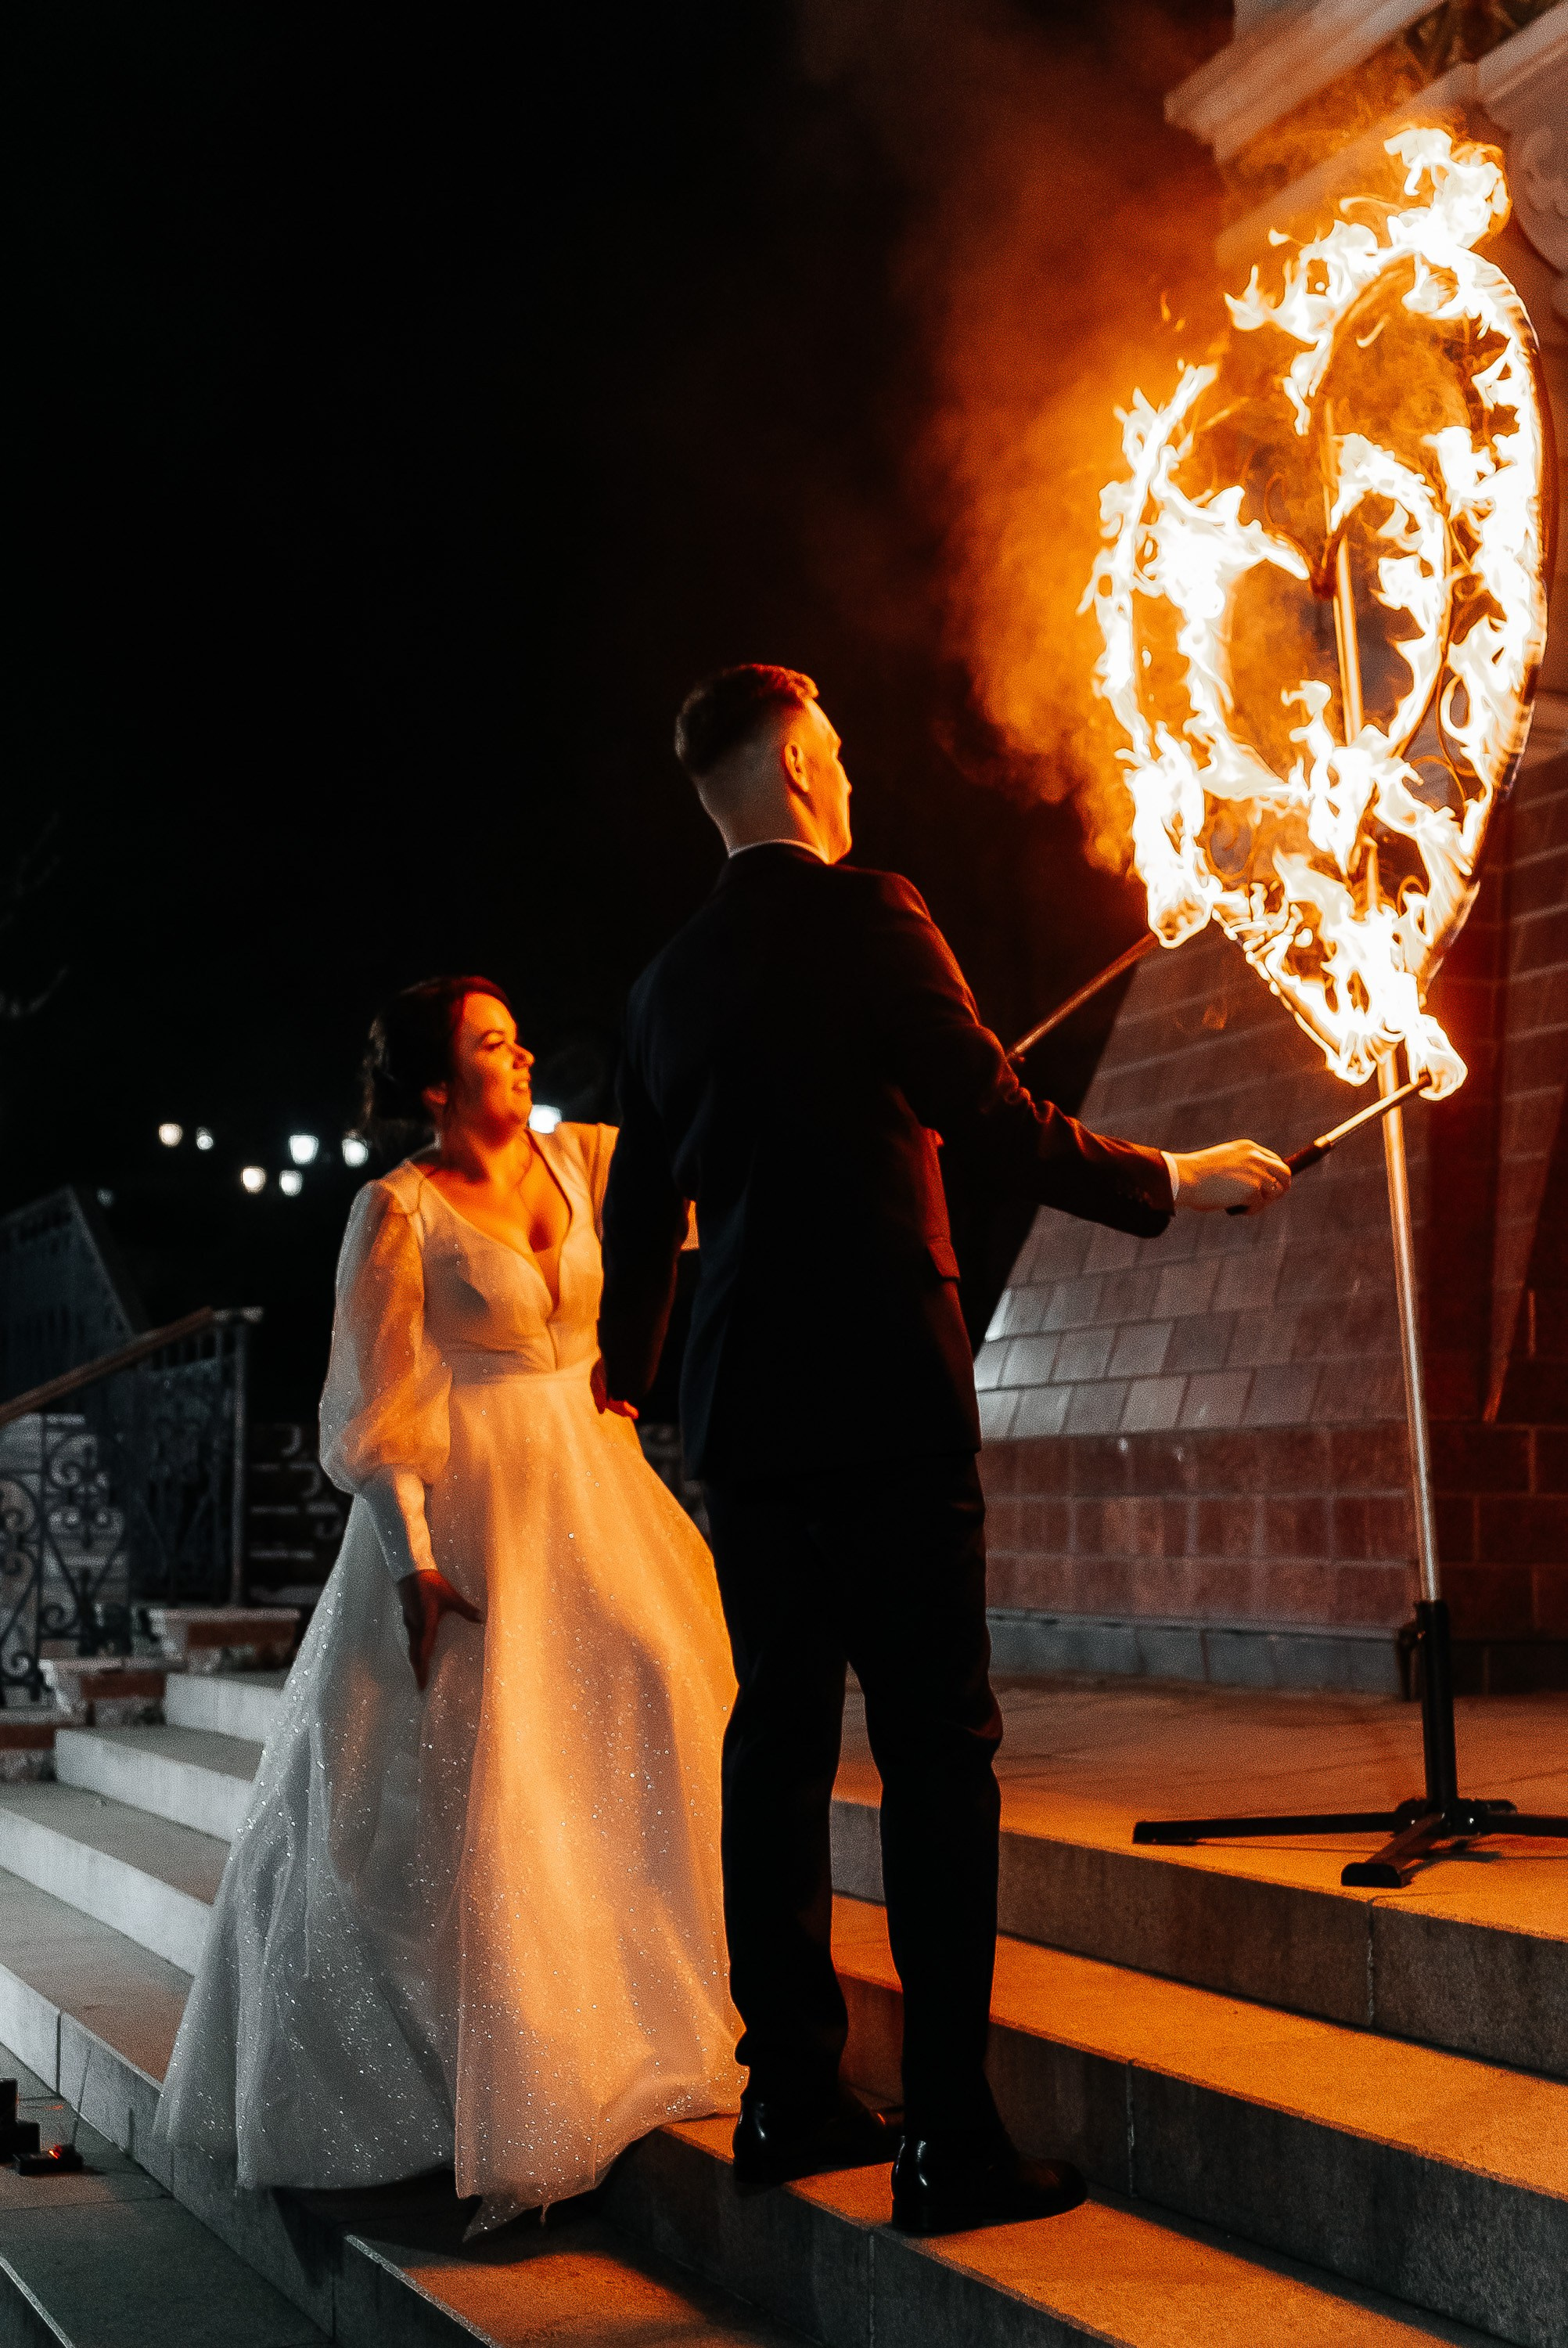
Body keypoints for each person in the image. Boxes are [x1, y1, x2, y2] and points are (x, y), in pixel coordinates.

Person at [597, 664, 1289, 2237]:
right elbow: (989, 1114)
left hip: (741, 1414)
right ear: (794, 763)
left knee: (776, 1749)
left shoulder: (662, 985)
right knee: (934, 1753)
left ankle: (791, 2094)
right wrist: (1170, 1177)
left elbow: (643, 1220)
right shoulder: (873, 911)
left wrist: (625, 1380)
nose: (853, 774)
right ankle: (950, 2142)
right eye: (837, 749)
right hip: (884, 1402)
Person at [155, 976, 742, 2223]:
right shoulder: (397, 1209)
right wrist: (413, 1558)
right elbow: (376, 1409)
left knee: (652, 1692)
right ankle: (477, 2071)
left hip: (597, 1480)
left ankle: (635, 1993)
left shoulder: (590, 1158)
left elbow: (709, 1182)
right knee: (485, 1772)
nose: (521, 1056)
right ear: (437, 1083)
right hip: (475, 1501)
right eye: (492, 1043)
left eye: (518, 1038)